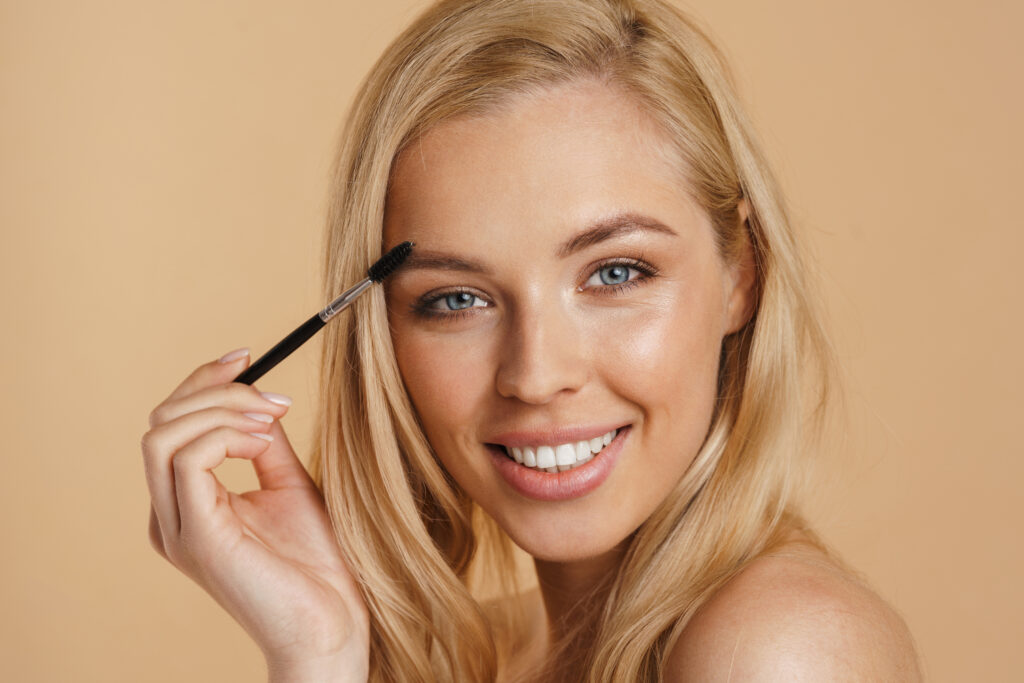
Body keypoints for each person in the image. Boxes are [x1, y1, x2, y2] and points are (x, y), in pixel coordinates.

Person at [141, 0, 923, 680]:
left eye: (616, 273)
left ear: (741, 274)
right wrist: (318, 653)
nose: (537, 373)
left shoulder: (779, 649)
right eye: (456, 298)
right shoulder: (485, 653)